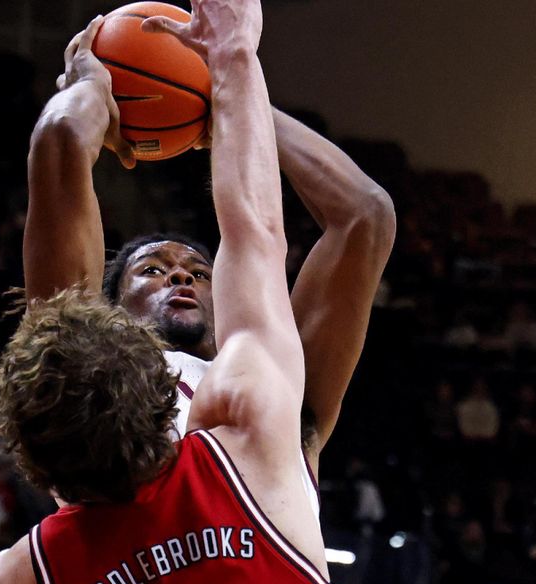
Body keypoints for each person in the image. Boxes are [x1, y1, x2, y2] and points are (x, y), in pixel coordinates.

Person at [0, 2, 340, 584]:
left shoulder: (17, 580)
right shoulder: (247, 443)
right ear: (169, 399)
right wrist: (232, 53)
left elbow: (60, 137)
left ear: (32, 459)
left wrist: (85, 98)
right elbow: (255, 230)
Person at [21, 0, 395, 486]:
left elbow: (366, 215)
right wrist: (91, 86)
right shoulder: (80, 383)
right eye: (151, 270)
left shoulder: (284, 393)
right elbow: (59, 139)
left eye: (199, 273)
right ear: (107, 312)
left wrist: (228, 103)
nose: (180, 275)